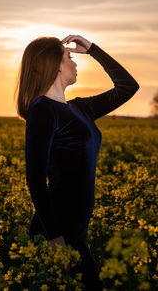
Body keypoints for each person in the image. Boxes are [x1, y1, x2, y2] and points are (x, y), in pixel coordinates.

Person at [15, 35, 139, 290]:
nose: (75, 62)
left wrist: (93, 50)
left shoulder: (80, 108)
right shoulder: (43, 111)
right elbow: (35, 178)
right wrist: (54, 238)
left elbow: (128, 87)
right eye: (69, 57)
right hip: (59, 232)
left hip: (75, 231)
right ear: (55, 65)